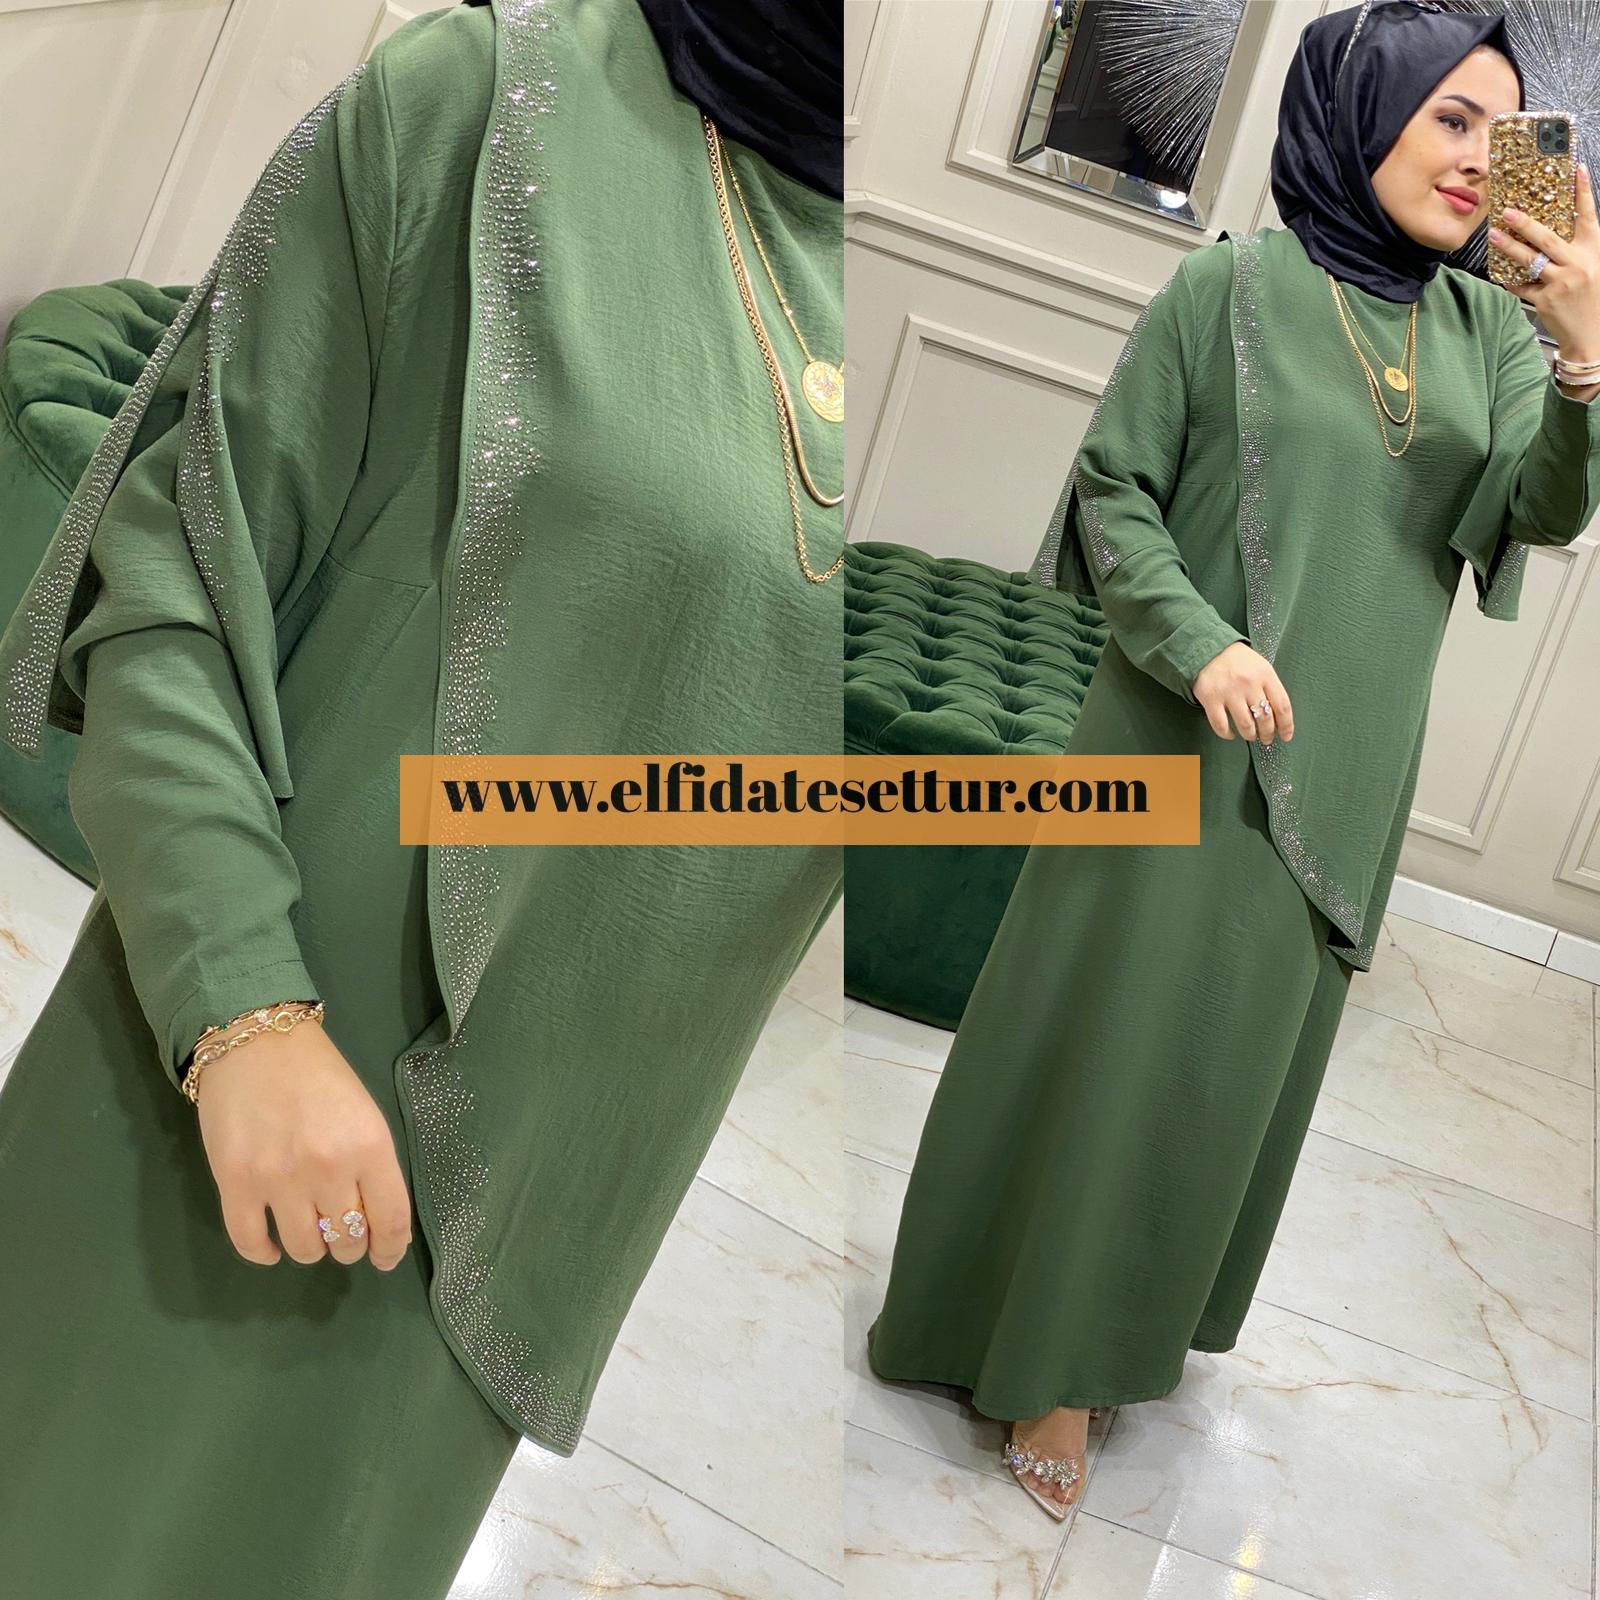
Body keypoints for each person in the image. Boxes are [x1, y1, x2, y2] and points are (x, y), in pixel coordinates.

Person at [0, 0, 841, 1592]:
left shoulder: (861, 257)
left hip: (529, 1200)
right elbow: (175, 576)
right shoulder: (485, 105)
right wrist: (244, 1014)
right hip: (246, 1114)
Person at [863, 0, 1600, 1520]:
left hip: (1349, 762)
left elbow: (1537, 511)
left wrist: (1587, 359)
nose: (1481, 158)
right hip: (1177, 736)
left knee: (1220, 1067)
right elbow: (1115, 490)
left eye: (1504, 129)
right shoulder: (1231, 290)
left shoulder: (1488, 337)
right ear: (1360, 115)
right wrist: (1200, 642)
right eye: (1451, 118)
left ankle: (1123, 1328)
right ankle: (1037, 1356)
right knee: (1111, 1043)